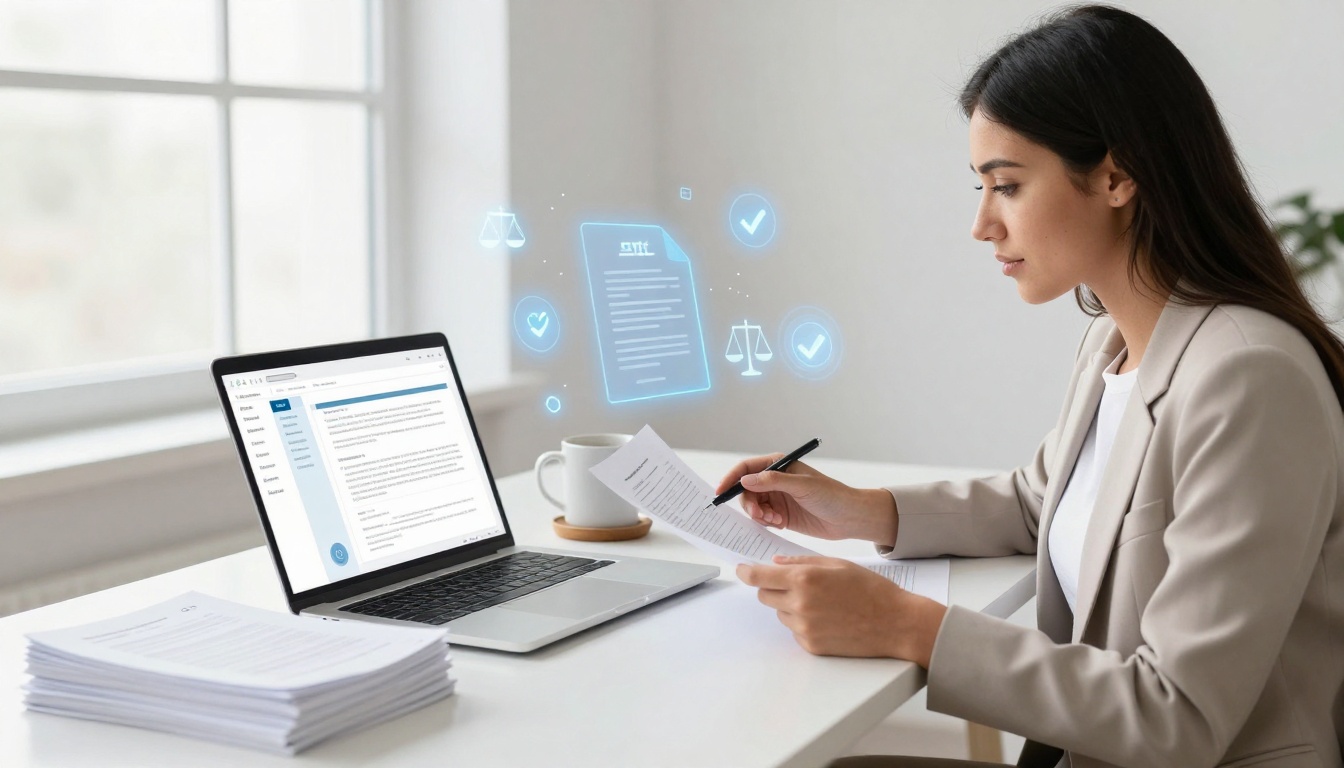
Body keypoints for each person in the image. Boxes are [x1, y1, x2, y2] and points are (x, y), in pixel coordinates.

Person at [719, 6, 1344, 768]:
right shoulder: (1113, 340)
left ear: (1116, 176)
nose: (981, 224)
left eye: (1006, 185)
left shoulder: (1250, 378)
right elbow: (1040, 500)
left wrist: (907, 626)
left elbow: (1177, 717)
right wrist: (860, 510)